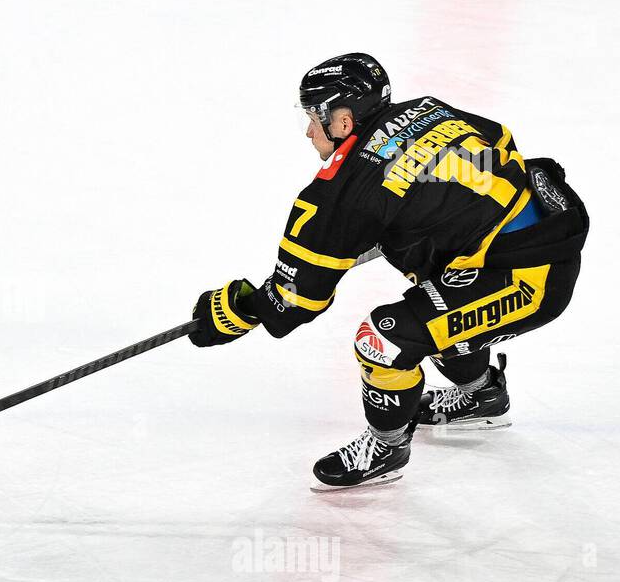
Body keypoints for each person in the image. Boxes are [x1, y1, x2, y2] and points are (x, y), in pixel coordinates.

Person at [189, 53, 588, 490]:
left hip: (527, 279)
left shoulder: (340, 195)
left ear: (342, 121)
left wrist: (237, 309)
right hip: (533, 236)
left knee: (383, 340)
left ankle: (386, 447)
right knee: (433, 293)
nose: (308, 131)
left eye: (312, 117)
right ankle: (481, 396)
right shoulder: (428, 110)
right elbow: (489, 158)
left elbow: (293, 303)